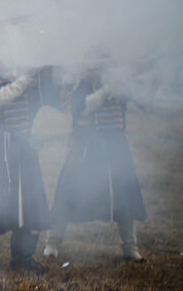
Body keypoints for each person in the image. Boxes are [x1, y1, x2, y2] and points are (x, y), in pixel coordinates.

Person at [0, 49, 65, 271]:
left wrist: (55, 73)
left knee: (30, 202)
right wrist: (23, 81)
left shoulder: (27, 75)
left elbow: (57, 99)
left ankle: (23, 257)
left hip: (24, 147)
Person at [46, 70, 148, 262]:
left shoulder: (120, 81)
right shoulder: (83, 87)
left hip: (117, 147)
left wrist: (130, 84)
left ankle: (129, 247)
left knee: (125, 198)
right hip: (87, 147)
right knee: (66, 196)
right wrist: (108, 89)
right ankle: (52, 243)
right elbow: (83, 108)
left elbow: (145, 102)